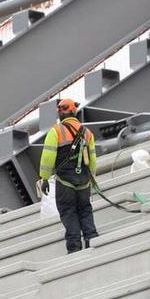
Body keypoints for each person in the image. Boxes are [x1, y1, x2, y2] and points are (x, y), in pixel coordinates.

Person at [39, 98, 99, 254]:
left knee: (68, 212)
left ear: (61, 113)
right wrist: (91, 177)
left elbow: (47, 158)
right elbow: (92, 159)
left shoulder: (56, 131)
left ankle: (74, 247)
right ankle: (92, 240)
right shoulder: (87, 133)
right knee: (85, 210)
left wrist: (44, 178)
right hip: (84, 182)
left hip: (65, 182)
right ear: (74, 111)